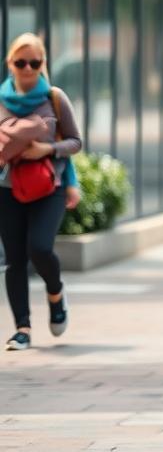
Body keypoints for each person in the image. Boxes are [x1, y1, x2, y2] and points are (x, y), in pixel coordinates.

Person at [0, 33, 83, 351]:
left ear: (43, 64)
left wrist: (46, 149)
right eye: (21, 63)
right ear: (10, 63)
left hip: (50, 187)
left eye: (35, 63)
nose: (28, 69)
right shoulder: (1, 99)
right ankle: (22, 328)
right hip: (7, 188)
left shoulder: (55, 97)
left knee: (40, 248)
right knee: (15, 259)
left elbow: (75, 141)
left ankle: (56, 292)